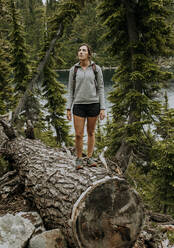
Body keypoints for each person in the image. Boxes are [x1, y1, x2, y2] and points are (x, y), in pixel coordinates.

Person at [66, 43, 105, 169]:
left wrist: (102, 108)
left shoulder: (96, 68)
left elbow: (101, 88)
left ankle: (89, 157)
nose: (80, 52)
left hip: (94, 104)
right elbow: (70, 90)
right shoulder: (74, 70)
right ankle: (79, 158)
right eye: (79, 50)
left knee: (91, 132)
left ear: (89, 54)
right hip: (78, 105)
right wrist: (68, 108)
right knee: (78, 134)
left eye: (83, 50)